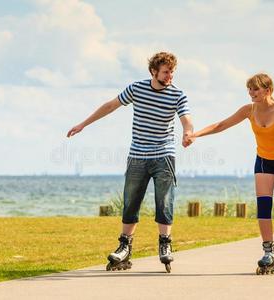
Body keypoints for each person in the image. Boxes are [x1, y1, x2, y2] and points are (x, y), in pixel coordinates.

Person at [67, 52, 193, 272]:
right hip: (137, 156)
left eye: (172, 71)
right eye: (166, 72)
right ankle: (124, 247)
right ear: (153, 71)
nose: (170, 75)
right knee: (131, 200)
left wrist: (188, 133)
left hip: (164, 155)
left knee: (165, 200)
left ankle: (165, 244)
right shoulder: (137, 88)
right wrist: (83, 124)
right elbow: (110, 106)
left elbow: (186, 119)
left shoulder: (177, 95)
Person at [188, 73, 274, 274]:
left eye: (256, 89)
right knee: (263, 207)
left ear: (268, 90)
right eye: (249, 89)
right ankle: (269, 251)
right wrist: (195, 135)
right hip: (263, 160)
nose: (251, 93)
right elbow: (221, 125)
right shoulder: (248, 110)